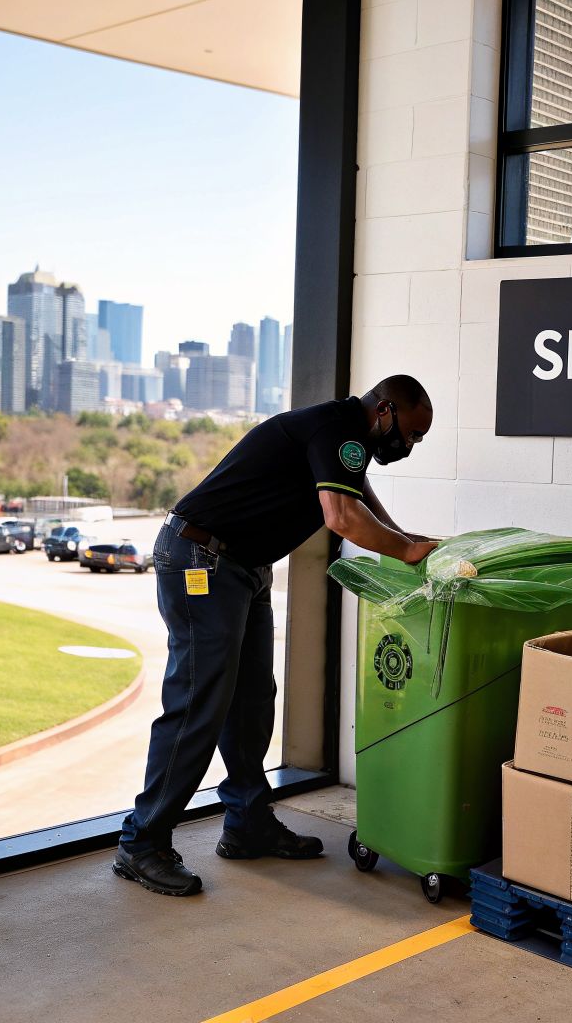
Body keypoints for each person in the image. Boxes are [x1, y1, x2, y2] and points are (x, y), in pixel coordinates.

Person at [114, 375, 438, 896]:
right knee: (199, 702)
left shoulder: (342, 439)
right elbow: (341, 516)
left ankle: (246, 823)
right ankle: (142, 842)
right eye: (412, 433)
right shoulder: (337, 429)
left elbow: (356, 491)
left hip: (242, 565)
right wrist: (403, 551)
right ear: (384, 410)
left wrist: (402, 535)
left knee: (251, 700)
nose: (410, 445)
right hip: (202, 558)